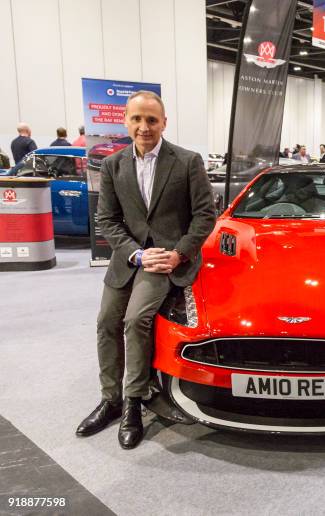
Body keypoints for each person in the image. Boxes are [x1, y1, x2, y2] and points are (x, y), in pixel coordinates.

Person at [75, 91, 216, 449]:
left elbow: (204, 216)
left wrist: (179, 254)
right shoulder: (113, 165)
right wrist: (136, 254)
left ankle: (134, 403)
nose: (144, 127)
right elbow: (107, 218)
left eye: (151, 120)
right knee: (106, 321)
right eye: (136, 119)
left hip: (167, 260)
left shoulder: (187, 161)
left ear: (164, 123)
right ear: (125, 121)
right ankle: (111, 399)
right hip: (132, 259)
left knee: (135, 320)